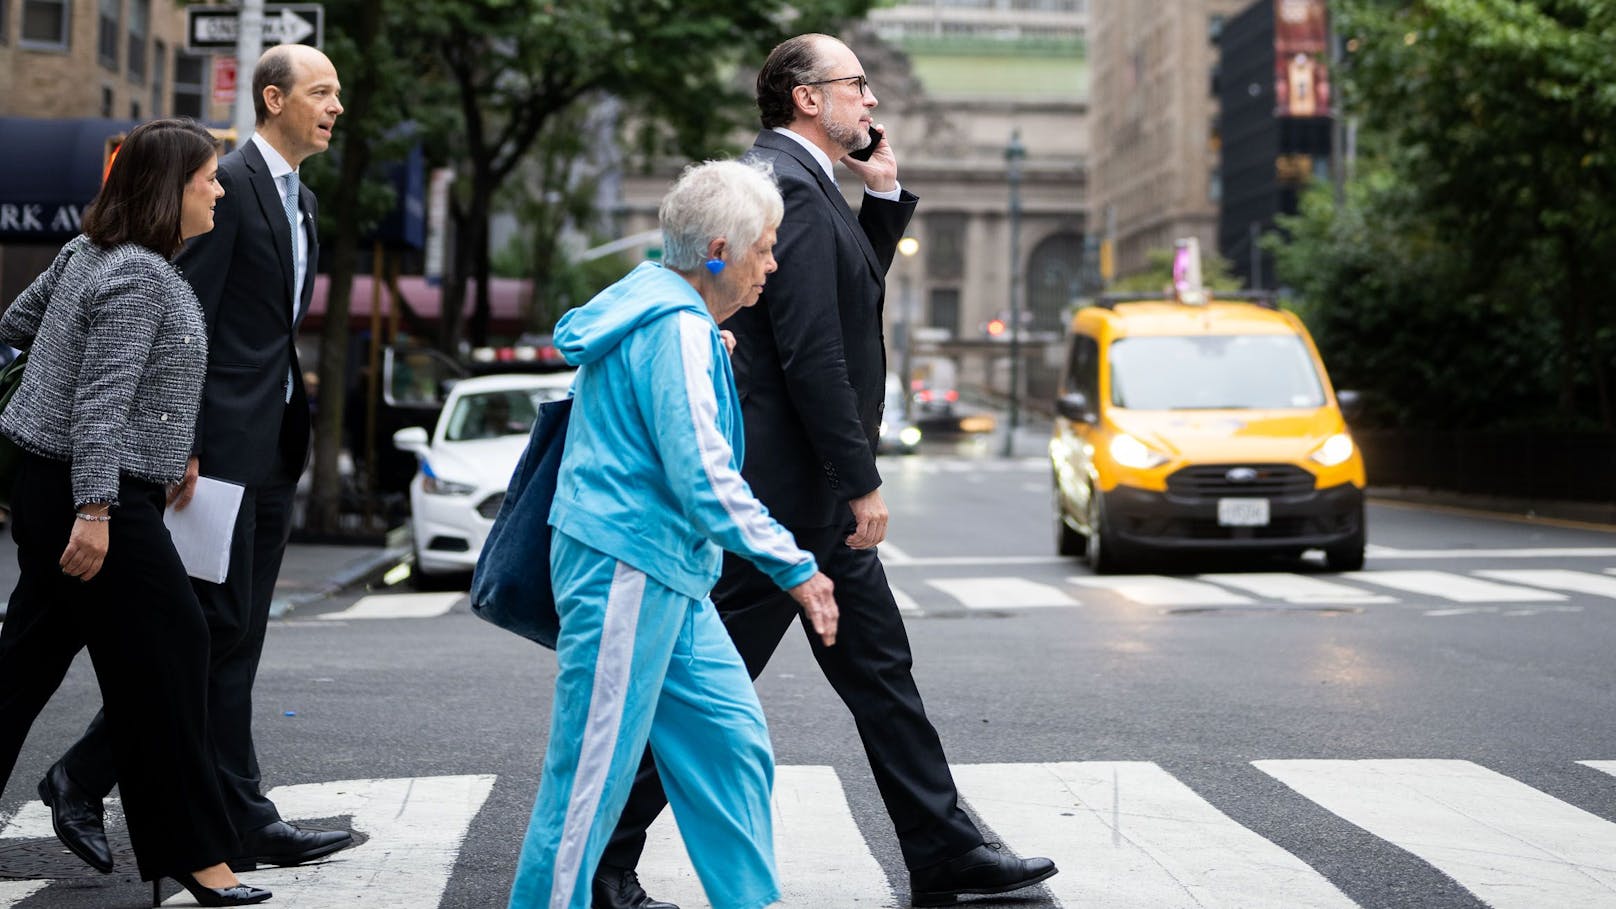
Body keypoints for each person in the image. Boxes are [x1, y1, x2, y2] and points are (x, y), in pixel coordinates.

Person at [595, 35, 1058, 909]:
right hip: (789, 494)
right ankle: (601, 853)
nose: (871, 101)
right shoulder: (785, 190)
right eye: (857, 86)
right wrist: (859, 479)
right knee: (706, 682)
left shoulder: (805, 186)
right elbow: (812, 352)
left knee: (881, 671)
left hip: (804, 495)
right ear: (808, 98)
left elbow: (844, 295)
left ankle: (944, 849)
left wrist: (883, 198)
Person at [44, 43, 354, 872]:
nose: (335, 106)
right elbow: (189, 321)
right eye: (320, 92)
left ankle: (231, 810)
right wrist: (181, 443)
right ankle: (89, 775)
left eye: (338, 94)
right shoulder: (223, 188)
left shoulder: (303, 201)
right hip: (210, 455)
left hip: (273, 446)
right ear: (273, 97)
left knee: (232, 635)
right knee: (204, 631)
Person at [507, 159, 839, 909]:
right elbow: (704, 477)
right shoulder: (677, 327)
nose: (773, 263)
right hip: (628, 564)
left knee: (731, 745)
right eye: (765, 246)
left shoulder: (663, 307)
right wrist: (795, 566)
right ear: (718, 249)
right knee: (589, 776)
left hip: (667, 570)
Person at [0, 118, 272, 906]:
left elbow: (17, 326)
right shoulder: (141, 278)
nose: (219, 192)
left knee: (21, 668)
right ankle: (194, 854)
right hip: (101, 496)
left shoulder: (89, 255)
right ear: (170, 190)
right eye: (208, 181)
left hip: (58, 489)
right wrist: (96, 508)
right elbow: (100, 404)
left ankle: (172, 842)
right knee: (176, 650)